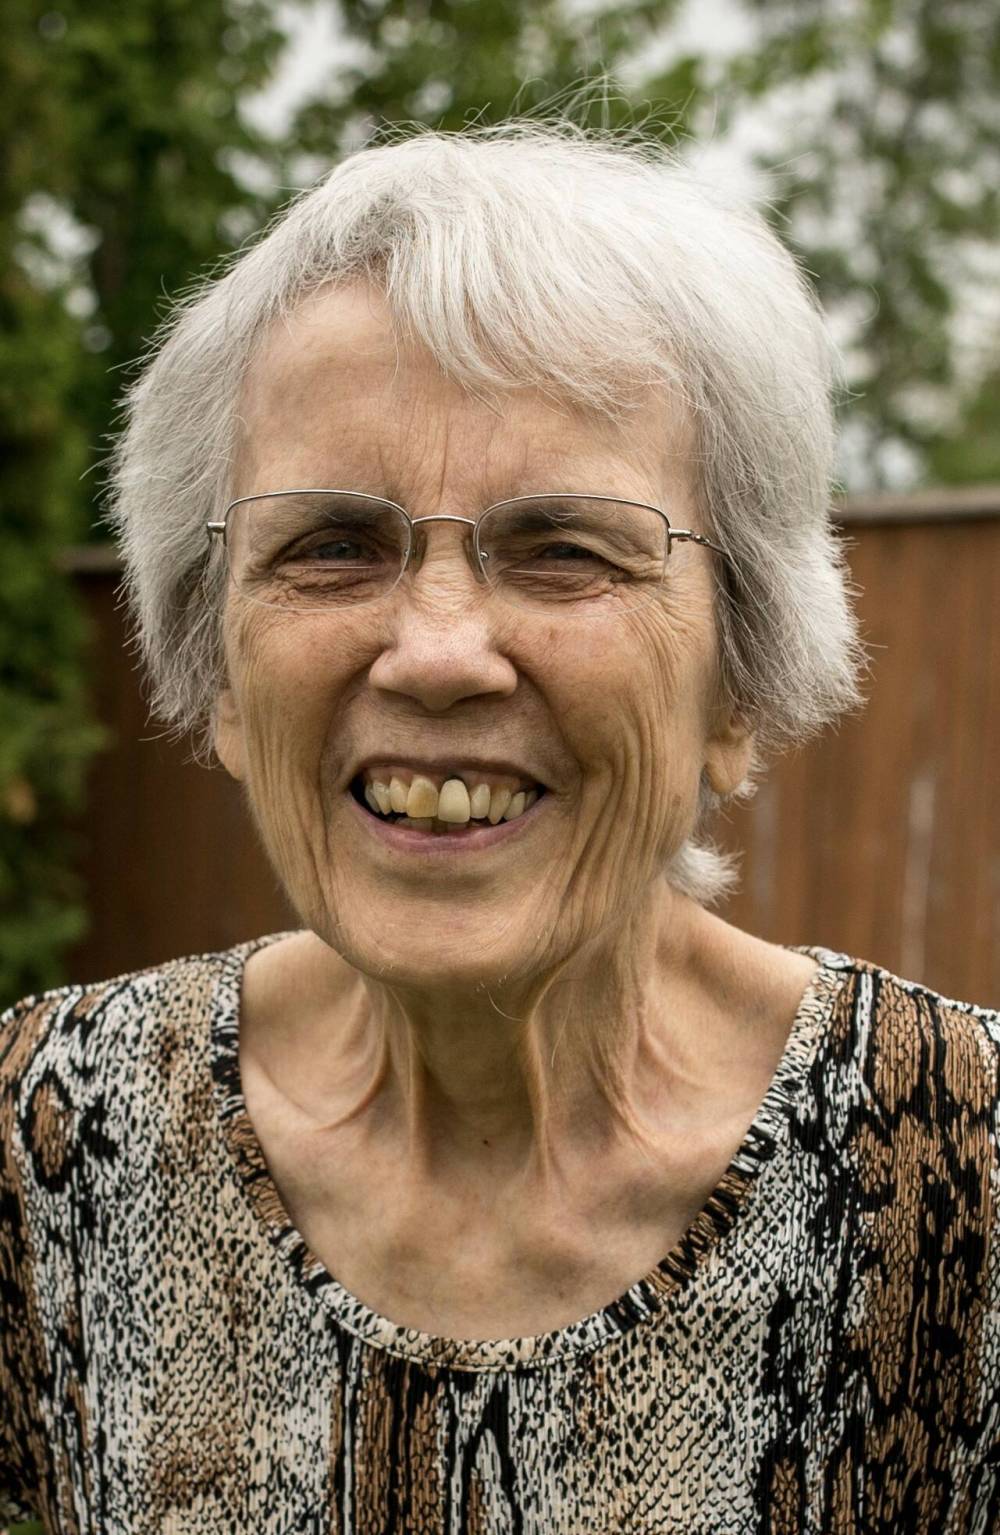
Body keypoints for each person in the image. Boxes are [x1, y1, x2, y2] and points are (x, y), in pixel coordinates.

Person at [1, 122, 997, 1535]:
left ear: (742, 685)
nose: (439, 651)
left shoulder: (963, 1180)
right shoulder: (55, 1143)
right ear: (218, 684)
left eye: (565, 550)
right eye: (332, 544)